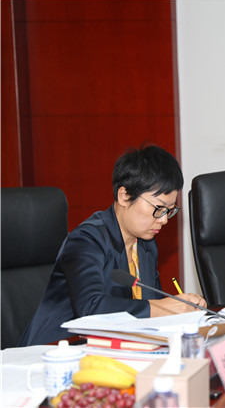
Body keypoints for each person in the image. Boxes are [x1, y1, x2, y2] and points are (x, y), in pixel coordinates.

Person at [20, 145, 207, 346]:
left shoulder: (145, 245)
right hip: (53, 350)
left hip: (109, 348)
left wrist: (181, 307)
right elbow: (90, 308)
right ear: (124, 196)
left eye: (169, 210)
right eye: (159, 208)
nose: (164, 220)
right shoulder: (86, 240)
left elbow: (151, 308)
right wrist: (164, 307)